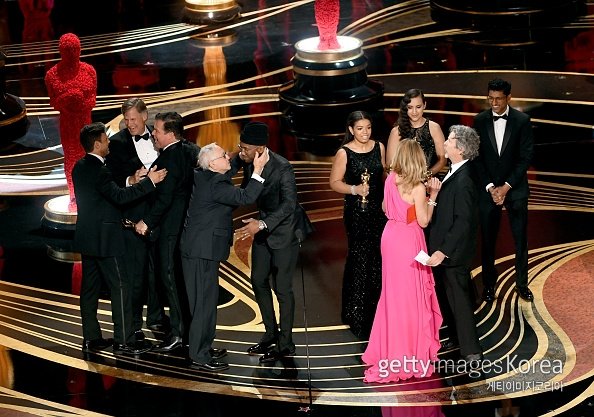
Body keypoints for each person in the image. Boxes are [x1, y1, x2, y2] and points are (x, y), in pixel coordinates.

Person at [72, 122, 166, 355]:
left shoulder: (79, 167)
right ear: (97, 144)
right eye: (106, 140)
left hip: (87, 238)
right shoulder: (100, 170)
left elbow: (104, 194)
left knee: (90, 289)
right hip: (106, 240)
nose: (109, 143)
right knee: (121, 286)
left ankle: (91, 338)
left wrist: (131, 181)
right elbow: (119, 198)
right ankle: (124, 340)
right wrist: (149, 182)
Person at [180, 143, 269, 372]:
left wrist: (241, 155)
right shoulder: (216, 184)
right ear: (212, 163)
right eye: (223, 156)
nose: (227, 157)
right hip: (201, 251)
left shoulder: (204, 175)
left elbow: (227, 170)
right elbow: (245, 196)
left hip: (202, 249)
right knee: (203, 305)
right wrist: (258, 169)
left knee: (207, 302)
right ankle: (199, 356)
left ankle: (204, 347)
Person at [362, 139, 442, 383]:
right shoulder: (417, 187)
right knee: (410, 297)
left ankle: (390, 348)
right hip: (409, 240)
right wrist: (433, 196)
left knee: (393, 296)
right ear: (418, 158)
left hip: (390, 236)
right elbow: (424, 221)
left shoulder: (391, 179)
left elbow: (385, 208)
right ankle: (409, 351)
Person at [234, 121, 312, 364]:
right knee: (258, 280)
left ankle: (286, 344)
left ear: (260, 149)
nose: (240, 151)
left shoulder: (282, 167)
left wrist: (263, 224)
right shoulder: (249, 160)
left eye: (245, 148)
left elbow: (289, 205)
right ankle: (270, 333)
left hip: (284, 231)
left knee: (282, 288)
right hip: (263, 227)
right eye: (240, 146)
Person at [105, 98, 167, 341]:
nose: (129, 124)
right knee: (135, 274)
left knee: (158, 270)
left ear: (145, 116)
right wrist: (131, 179)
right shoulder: (116, 144)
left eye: (133, 119)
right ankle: (133, 324)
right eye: (126, 119)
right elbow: (111, 181)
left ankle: (156, 317)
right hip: (134, 217)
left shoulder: (160, 137)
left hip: (160, 214)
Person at [134, 112, 196, 353]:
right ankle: (186, 331)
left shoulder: (169, 159)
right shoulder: (190, 150)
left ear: (170, 134)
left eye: (157, 131)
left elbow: (165, 199)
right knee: (178, 281)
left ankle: (179, 334)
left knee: (170, 280)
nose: (153, 135)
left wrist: (146, 222)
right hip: (184, 227)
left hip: (169, 229)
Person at [473, 78, 534, 303]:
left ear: (509, 97)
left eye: (499, 99)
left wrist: (506, 186)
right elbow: (477, 158)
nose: (494, 103)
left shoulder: (522, 121)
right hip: (488, 190)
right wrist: (491, 187)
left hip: (515, 189)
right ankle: (489, 285)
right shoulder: (479, 120)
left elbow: (525, 157)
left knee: (520, 239)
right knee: (488, 240)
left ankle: (522, 284)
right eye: (491, 99)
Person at [427, 125, 483, 367]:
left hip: (454, 253)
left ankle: (472, 350)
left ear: (459, 149)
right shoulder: (455, 171)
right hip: (447, 250)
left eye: (449, 140)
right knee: (448, 297)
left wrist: (443, 251)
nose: (445, 143)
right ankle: (456, 338)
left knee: (459, 300)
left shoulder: (465, 179)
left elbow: (463, 221)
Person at [328, 110, 387, 339]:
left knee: (378, 258)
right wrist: (354, 189)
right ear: (351, 129)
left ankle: (378, 311)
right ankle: (357, 314)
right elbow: (334, 182)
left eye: (368, 128)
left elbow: (383, 175)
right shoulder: (344, 152)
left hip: (379, 211)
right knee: (360, 258)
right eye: (360, 128)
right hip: (356, 213)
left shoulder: (379, 147)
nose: (365, 132)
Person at [45, 33, 97, 211]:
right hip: (67, 124)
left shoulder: (89, 71)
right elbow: (54, 103)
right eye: (68, 50)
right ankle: (74, 195)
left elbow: (92, 101)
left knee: (88, 156)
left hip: (85, 122)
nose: (72, 53)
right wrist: (69, 97)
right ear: (61, 51)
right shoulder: (52, 75)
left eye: (75, 49)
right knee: (71, 159)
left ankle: (89, 193)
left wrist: (79, 101)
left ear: (80, 49)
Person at [386, 88, 446, 176]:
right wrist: (407, 180)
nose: (414, 112)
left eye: (418, 107)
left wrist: (425, 176)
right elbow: (390, 165)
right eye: (410, 107)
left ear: (424, 105)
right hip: (403, 181)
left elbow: (442, 160)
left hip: (429, 180)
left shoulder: (434, 128)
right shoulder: (396, 132)